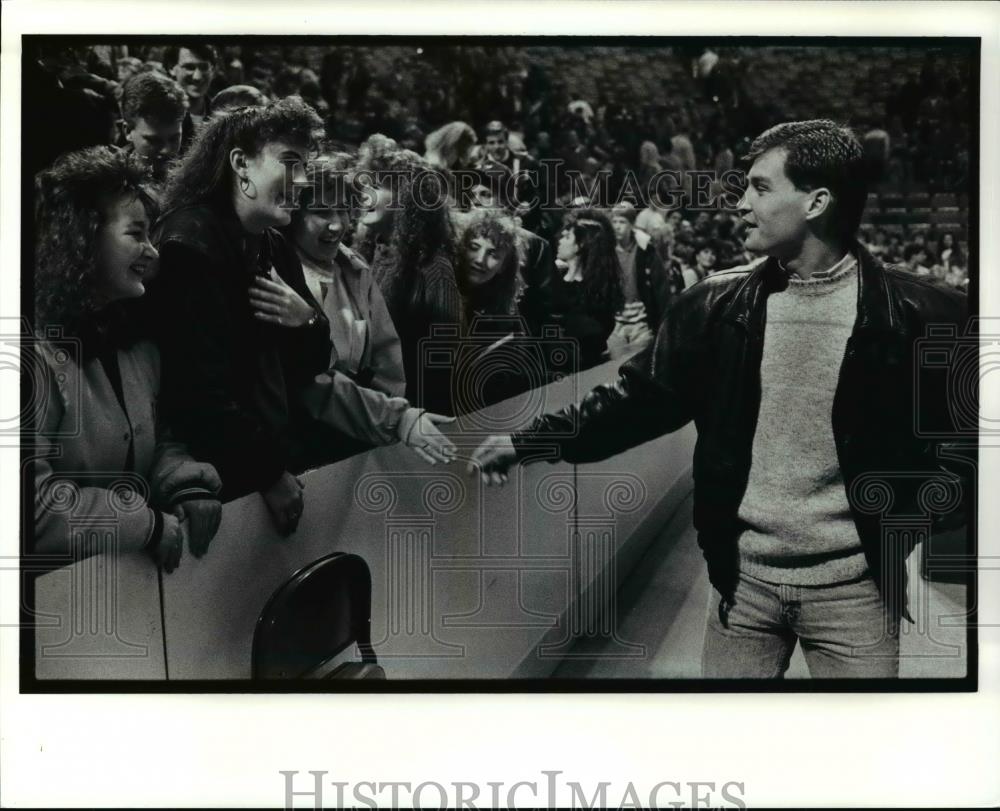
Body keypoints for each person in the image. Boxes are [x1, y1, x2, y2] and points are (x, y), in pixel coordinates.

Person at [470, 120, 968, 679]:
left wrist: (912, 517)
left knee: (854, 755)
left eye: (759, 187)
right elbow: (636, 401)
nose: (741, 203)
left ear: (816, 202)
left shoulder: (926, 315)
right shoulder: (712, 305)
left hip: (857, 595)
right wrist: (528, 441)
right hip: (742, 589)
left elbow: (970, 444)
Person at [32, 146, 222, 572]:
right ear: (82, 237)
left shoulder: (136, 344)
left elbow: (157, 442)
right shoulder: (31, 356)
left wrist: (184, 485)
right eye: (136, 234)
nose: (153, 252)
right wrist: (144, 524)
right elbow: (27, 508)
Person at [151, 98, 331, 537]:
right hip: (215, 491)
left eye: (306, 165)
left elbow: (312, 366)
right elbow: (198, 397)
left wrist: (307, 321)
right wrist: (269, 475)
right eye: (290, 162)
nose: (304, 180)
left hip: (266, 473)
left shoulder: (272, 243)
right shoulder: (188, 247)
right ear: (241, 164)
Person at [286, 155, 457, 467]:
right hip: (296, 454)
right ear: (293, 213)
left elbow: (387, 360)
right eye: (321, 211)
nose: (337, 224)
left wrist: (383, 428)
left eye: (344, 210)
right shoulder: (276, 271)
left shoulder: (353, 268)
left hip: (358, 450)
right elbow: (303, 381)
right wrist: (391, 418)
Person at [355, 141, 464, 415]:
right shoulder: (366, 251)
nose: (363, 195)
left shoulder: (433, 266)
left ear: (407, 199)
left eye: (377, 186)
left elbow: (442, 362)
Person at [549, 208, 624, 371]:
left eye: (567, 236)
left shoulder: (591, 298)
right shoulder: (553, 279)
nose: (560, 240)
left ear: (581, 244)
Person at [118, 71, 188, 183]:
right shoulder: (109, 187)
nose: (167, 150)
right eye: (154, 141)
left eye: (174, 139)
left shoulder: (193, 179)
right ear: (127, 131)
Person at [163, 43, 217, 145]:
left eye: (204, 67)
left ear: (213, 70)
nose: (197, 77)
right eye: (189, 67)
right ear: (171, 68)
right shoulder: (159, 113)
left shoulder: (221, 114)